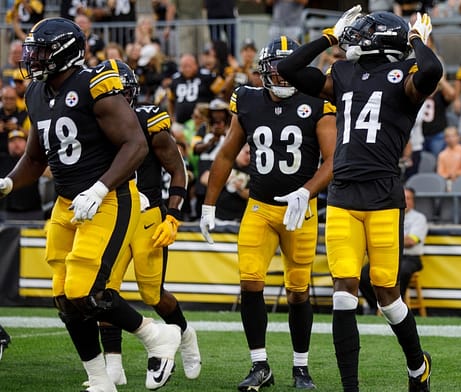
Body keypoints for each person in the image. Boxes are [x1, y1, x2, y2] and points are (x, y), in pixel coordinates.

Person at [0, 17, 181, 391]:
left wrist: (99, 188)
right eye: (32, 50)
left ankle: (156, 337)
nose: (32, 57)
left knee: (86, 289)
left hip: (110, 198)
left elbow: (136, 145)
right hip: (68, 202)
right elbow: (36, 158)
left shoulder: (94, 85)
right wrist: (8, 182)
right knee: (64, 296)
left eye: (41, 51)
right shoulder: (37, 92)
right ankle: (100, 378)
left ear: (66, 51)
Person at [278, 7, 440, 391]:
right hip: (343, 195)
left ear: (383, 38)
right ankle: (350, 387)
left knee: (386, 292)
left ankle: (418, 366)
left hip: (383, 194)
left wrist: (416, 39)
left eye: (364, 31)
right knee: (343, 293)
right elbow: (289, 69)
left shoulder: (406, 77)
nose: (355, 35)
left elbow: (431, 72)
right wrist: (330, 36)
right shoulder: (345, 73)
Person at [199, 36, 337, 391]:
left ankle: (301, 368)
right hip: (259, 207)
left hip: (300, 210)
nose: (283, 76)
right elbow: (227, 154)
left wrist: (305, 193)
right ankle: (260, 365)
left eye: (288, 69)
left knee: (298, 291)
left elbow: (334, 159)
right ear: (263, 71)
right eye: (275, 69)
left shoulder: (317, 100)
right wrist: (209, 203)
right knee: (250, 283)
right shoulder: (246, 99)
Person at [87, 59, 201, 387]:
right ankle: (113, 364)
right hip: (113, 211)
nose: (116, 100)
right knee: (103, 290)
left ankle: (185, 335)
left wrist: (173, 215)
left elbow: (177, 169)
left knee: (152, 294)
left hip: (148, 214)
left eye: (120, 93)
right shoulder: (91, 124)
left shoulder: (149, 120)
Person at [359, 187, 428, 314]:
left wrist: (387, 239)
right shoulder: (389, 214)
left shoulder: (419, 218)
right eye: (404, 198)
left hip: (409, 258)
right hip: (387, 255)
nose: (406, 201)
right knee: (363, 274)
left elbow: (411, 242)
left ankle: (396, 308)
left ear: (413, 201)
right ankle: (377, 306)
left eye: (409, 198)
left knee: (402, 272)